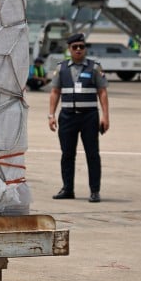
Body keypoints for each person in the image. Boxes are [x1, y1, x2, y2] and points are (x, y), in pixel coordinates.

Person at [48, 33, 110, 203]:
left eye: (81, 47)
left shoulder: (94, 67)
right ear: (69, 49)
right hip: (67, 117)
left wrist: (105, 116)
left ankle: (95, 191)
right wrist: (51, 115)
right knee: (67, 155)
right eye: (74, 47)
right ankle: (68, 189)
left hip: (89, 117)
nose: (78, 50)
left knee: (92, 154)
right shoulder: (61, 68)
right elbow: (55, 92)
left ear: (85, 49)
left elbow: (102, 92)